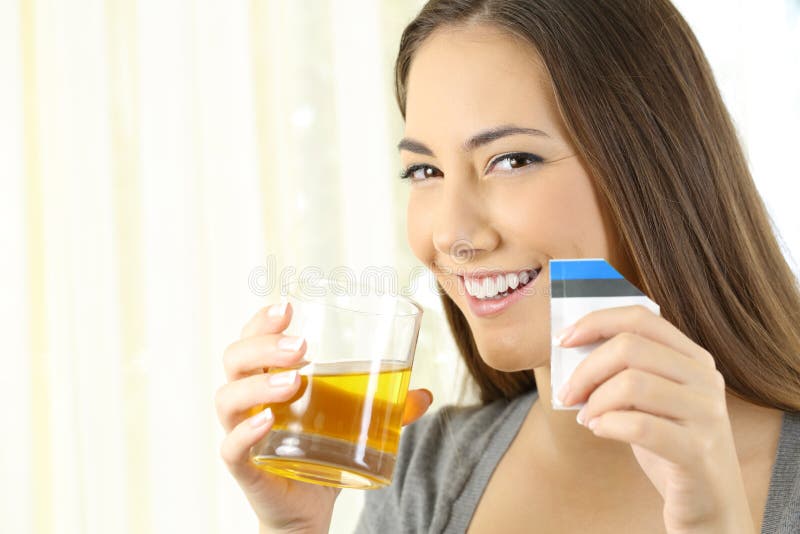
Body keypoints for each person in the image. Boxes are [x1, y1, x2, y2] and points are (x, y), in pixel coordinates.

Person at [214, 0, 800, 532]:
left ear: (653, 165)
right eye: (425, 171)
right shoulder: (431, 473)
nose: (451, 234)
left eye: (512, 159)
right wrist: (294, 530)